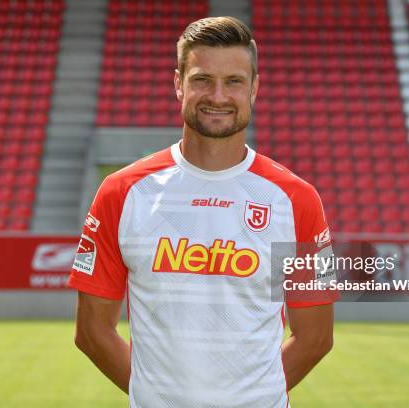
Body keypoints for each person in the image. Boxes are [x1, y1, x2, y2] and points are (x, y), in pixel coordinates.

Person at [69, 16, 338, 408]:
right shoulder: (122, 192)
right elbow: (91, 332)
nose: (218, 95)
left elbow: (316, 337)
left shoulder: (298, 200)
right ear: (178, 83)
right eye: (201, 79)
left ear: (255, 88)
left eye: (233, 82)